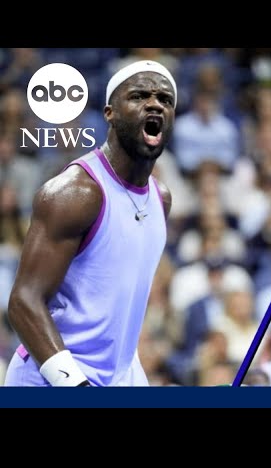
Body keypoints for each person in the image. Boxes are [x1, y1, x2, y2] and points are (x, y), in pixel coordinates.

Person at [4, 60, 176, 386]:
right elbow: (23, 303)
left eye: (165, 100)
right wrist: (75, 385)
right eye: (140, 96)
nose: (155, 104)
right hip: (51, 380)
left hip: (121, 374)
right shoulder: (76, 193)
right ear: (110, 113)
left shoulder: (161, 199)